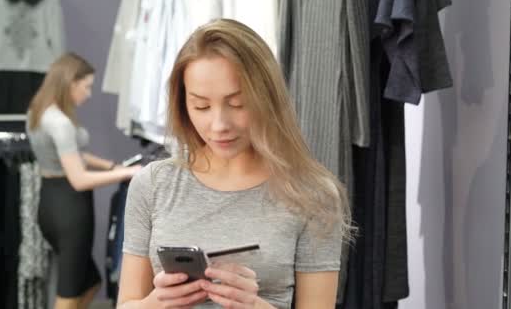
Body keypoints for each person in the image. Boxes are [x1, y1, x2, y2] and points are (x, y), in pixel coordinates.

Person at [117, 19, 352, 308]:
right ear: (183, 104)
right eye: (201, 106)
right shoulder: (152, 184)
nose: (219, 125)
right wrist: (156, 303)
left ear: (267, 98)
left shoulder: (313, 193)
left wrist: (255, 306)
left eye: (238, 104)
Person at [26, 52, 142, 309]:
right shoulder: (60, 123)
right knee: (68, 292)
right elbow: (78, 179)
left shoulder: (38, 112)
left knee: (89, 282)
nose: (89, 94)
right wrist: (128, 173)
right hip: (70, 209)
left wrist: (110, 165)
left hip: (50, 203)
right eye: (87, 86)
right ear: (70, 82)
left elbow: (72, 154)